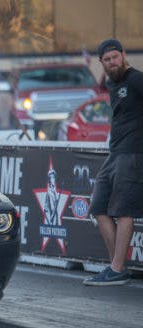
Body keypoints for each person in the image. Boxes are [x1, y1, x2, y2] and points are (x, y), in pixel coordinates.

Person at [83, 38, 143, 286]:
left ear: (123, 55)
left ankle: (117, 269)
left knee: (124, 211)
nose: (112, 62)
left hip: (133, 154)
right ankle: (116, 267)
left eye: (115, 57)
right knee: (98, 207)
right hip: (114, 153)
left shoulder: (136, 79)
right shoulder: (111, 82)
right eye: (107, 60)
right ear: (102, 63)